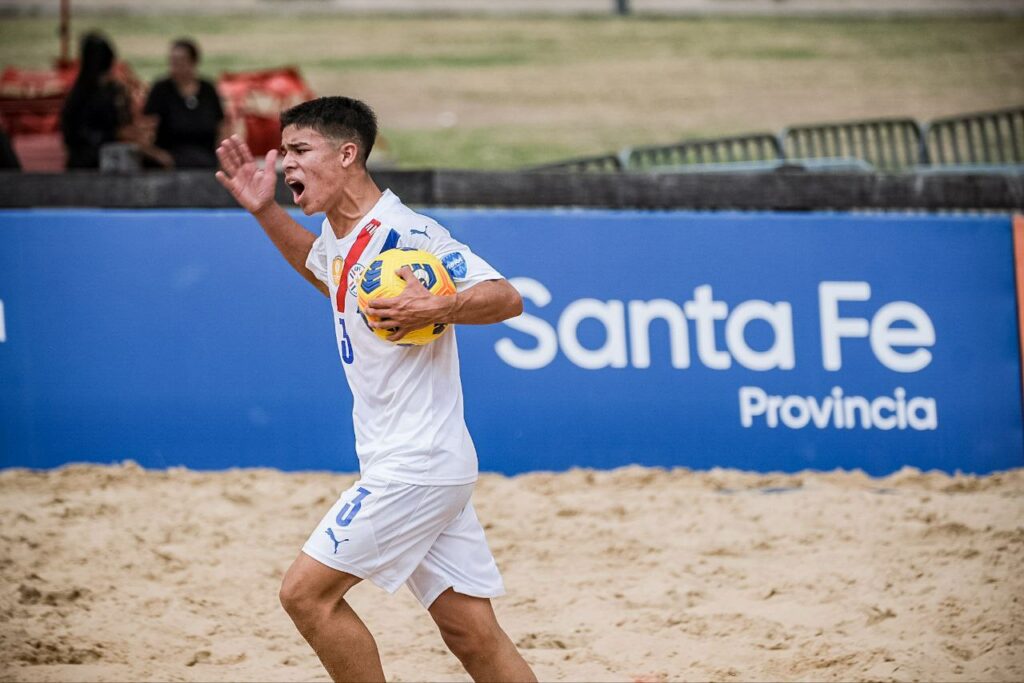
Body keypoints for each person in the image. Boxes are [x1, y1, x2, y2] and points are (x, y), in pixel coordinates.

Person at [215, 96, 537, 683]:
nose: (286, 165)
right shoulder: (343, 236)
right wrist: (263, 212)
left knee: (305, 596)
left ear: (348, 153)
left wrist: (444, 303)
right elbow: (327, 275)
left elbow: (508, 297)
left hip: (416, 465)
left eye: (299, 150)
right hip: (423, 463)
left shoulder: (408, 234)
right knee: (473, 635)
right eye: (283, 152)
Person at [144, 38, 225, 168]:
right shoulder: (161, 89)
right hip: (170, 158)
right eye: (173, 61)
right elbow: (146, 127)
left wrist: (221, 154)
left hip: (205, 157)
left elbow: (222, 124)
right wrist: (158, 155)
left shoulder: (208, 90)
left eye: (181, 61)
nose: (176, 66)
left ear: (193, 62)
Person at [60, 31, 132, 169]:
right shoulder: (81, 97)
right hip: (89, 158)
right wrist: (115, 134)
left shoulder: (114, 90)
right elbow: (77, 136)